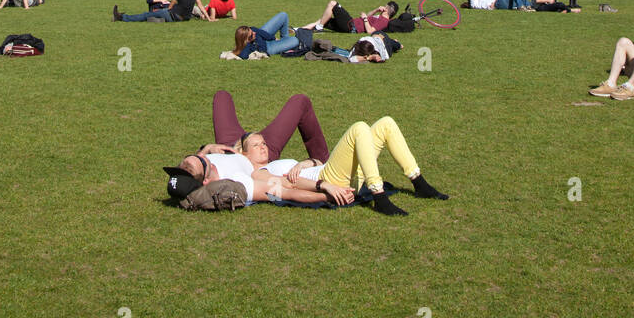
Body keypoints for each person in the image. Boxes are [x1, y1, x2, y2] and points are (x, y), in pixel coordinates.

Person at [167, 115, 447, 217]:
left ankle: (418, 182)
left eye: (264, 142)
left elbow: (316, 161)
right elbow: (287, 187)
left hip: (331, 168)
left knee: (385, 123)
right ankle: (378, 195)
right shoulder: (258, 172)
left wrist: (303, 161)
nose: (263, 146)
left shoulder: (279, 162)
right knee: (360, 127)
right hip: (330, 176)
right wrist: (324, 187)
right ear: (244, 152)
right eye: (256, 145)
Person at [303, 0, 398, 34]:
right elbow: (369, 16)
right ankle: (300, 29)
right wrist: (376, 10)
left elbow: (370, 31)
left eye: (385, 5)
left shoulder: (383, 21)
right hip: (349, 25)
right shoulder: (380, 16)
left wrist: (364, 18)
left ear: (387, 8)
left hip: (350, 25)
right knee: (323, 20)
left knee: (333, 3)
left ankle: (319, 28)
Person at [229, 12, 300, 58]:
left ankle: (284, 39)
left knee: (283, 15)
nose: (254, 33)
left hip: (265, 38)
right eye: (251, 35)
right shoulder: (245, 48)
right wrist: (248, 43)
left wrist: (274, 38)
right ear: (246, 41)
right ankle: (285, 44)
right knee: (295, 40)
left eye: (252, 31)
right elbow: (244, 56)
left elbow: (261, 32)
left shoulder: (253, 31)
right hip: (269, 48)